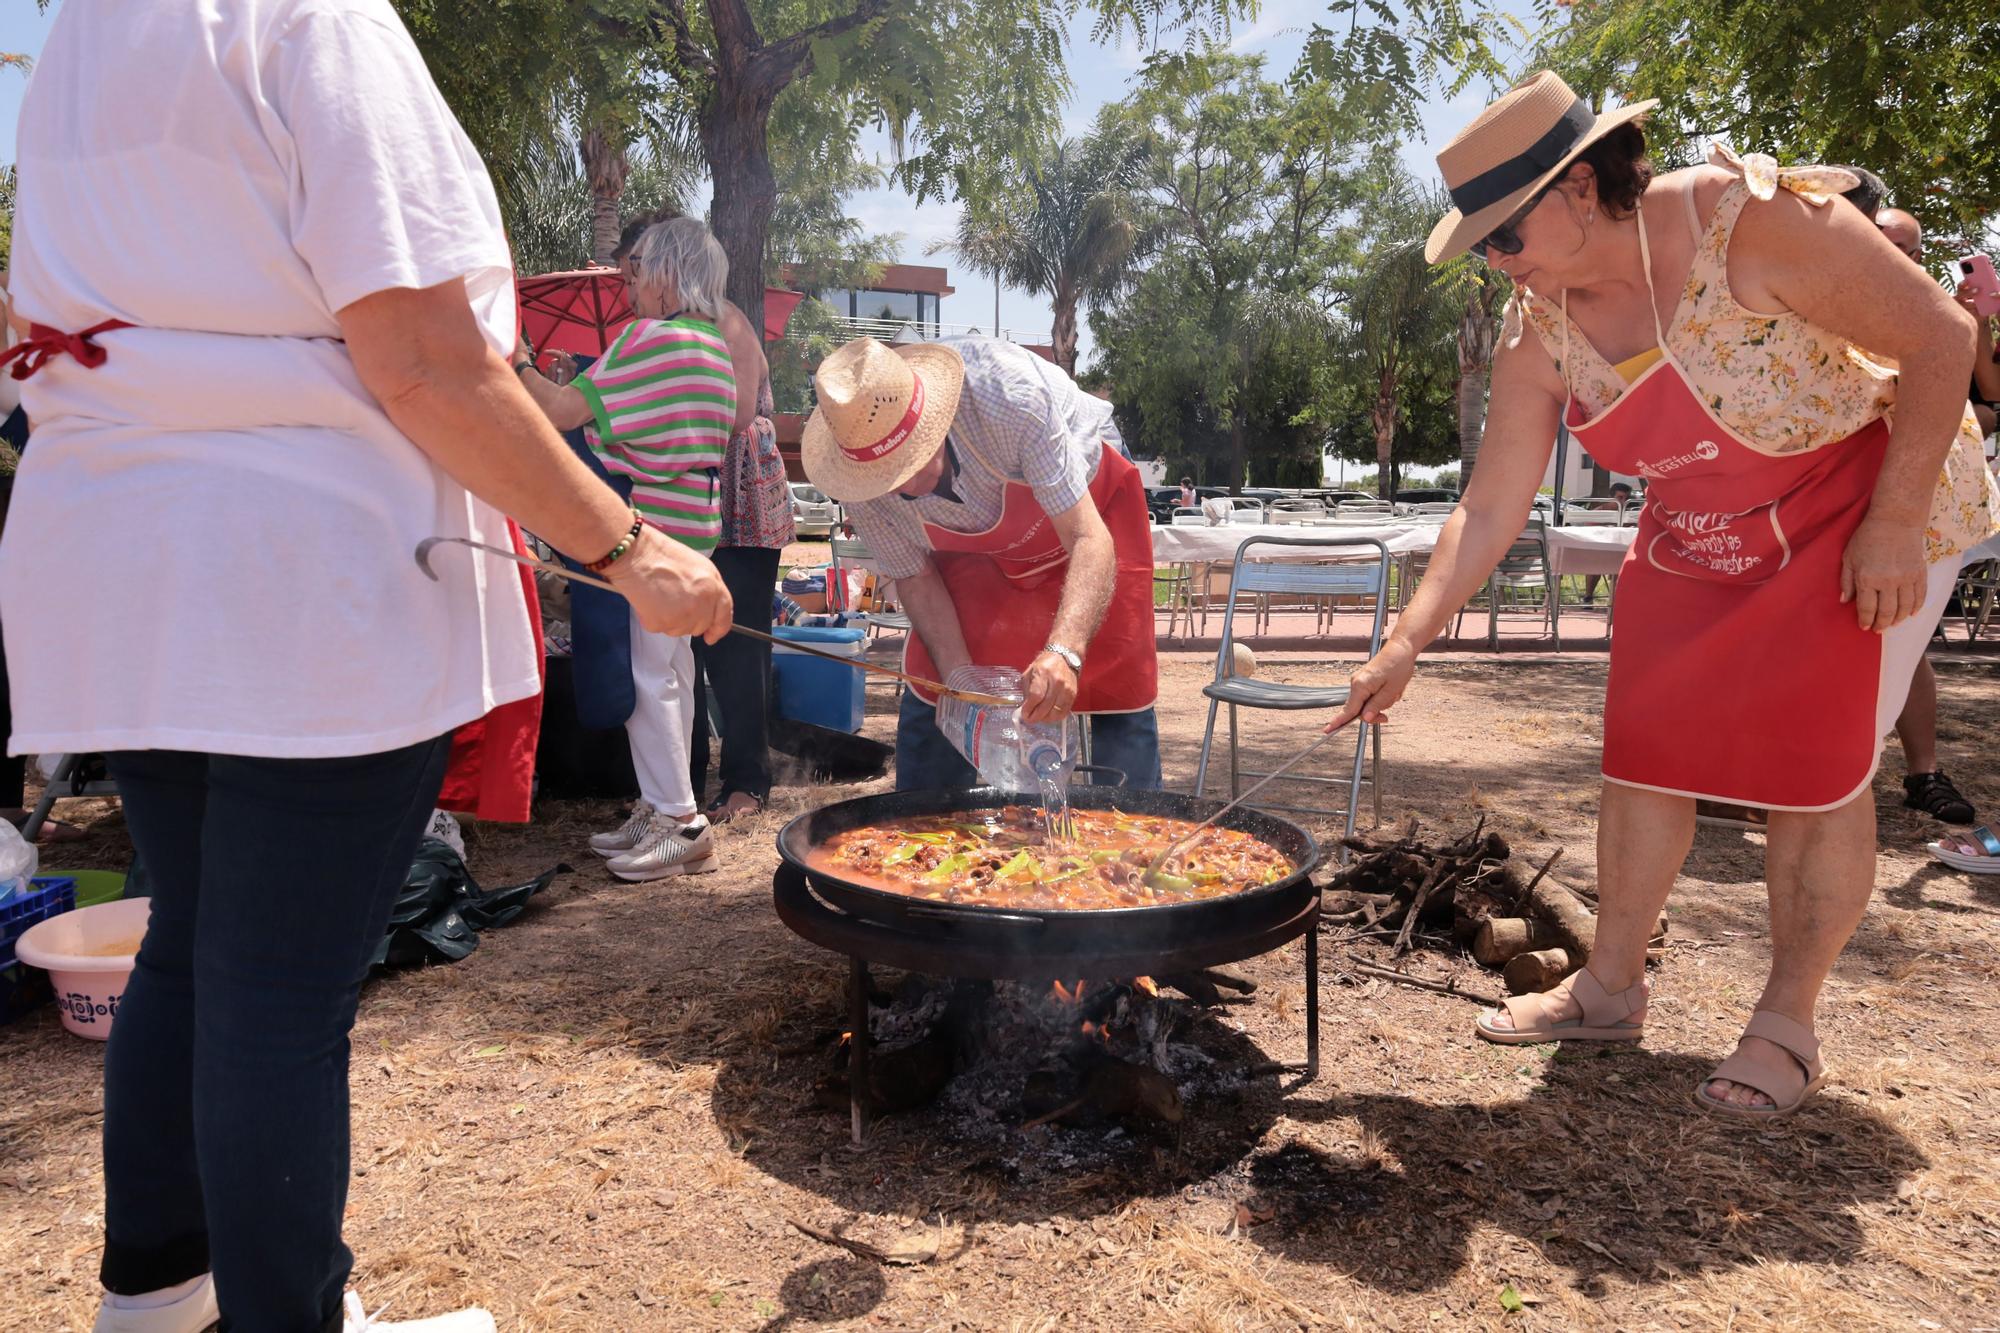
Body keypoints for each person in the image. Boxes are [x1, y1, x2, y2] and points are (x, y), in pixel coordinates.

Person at [0, 2, 731, 1330]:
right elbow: (426, 361)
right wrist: (632, 552)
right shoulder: (311, 18)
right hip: (298, 575)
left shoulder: (92, 39)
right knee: (278, 990)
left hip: (121, 553)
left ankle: (155, 1296)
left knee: (192, 953)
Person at [1335, 73, 1998, 1119]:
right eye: (1482, 245)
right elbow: (1488, 504)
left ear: (1578, 186)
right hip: (1700, 533)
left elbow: (1940, 339)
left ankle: (1785, 1021)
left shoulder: (1753, 224)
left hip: (1862, 504)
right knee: (1641, 750)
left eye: (1500, 235)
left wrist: (1891, 521)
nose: (1494, 262)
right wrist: (1408, 639)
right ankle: (1607, 987)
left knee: (1808, 772)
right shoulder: (1536, 329)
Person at [801, 335, 1162, 790]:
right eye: (886, 473)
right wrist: (963, 689)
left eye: (911, 457)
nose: (906, 484)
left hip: (1088, 516)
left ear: (935, 414)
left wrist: (1065, 651)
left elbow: (1089, 538)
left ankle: (1137, 845)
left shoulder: (1009, 398)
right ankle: (923, 837)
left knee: (1116, 692)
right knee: (938, 694)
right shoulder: (859, 480)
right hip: (985, 550)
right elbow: (915, 573)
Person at [515, 217, 738, 879]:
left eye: (638, 268)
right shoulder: (712, 345)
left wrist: (519, 360)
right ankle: (664, 800)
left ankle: (678, 818)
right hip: (695, 527)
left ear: (669, 272)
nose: (630, 282)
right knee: (672, 672)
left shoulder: (649, 339)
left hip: (650, 531)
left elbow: (559, 411)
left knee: (647, 679)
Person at [1580, 480, 1634, 604]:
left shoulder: (1628, 516)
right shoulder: (1598, 513)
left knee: (1624, 564)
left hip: (1619, 553)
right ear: (1610, 497)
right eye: (1620, 497)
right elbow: (1589, 535)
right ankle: (1588, 597)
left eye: (1626, 498)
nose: (1623, 502)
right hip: (1598, 551)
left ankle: (1616, 602)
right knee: (1595, 563)